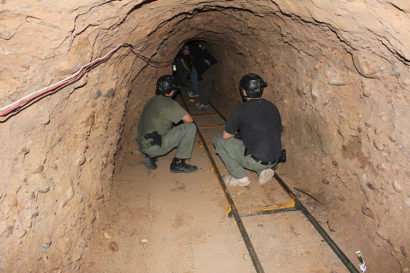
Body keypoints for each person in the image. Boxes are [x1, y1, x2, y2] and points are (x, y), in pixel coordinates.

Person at [213, 73, 283, 186]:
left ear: (244, 92)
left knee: (219, 140)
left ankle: (240, 177)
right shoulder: (272, 106)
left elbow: (226, 136)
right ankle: (263, 170)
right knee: (255, 143)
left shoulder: (241, 109)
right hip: (274, 158)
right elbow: (276, 131)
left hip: (255, 160)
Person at [136, 75, 198, 173]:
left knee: (162, 127)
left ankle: (150, 156)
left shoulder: (151, 101)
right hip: (154, 146)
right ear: (171, 91)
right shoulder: (169, 103)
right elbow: (189, 120)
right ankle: (178, 164)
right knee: (190, 128)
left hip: (143, 145)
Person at [189, 42, 217, 108]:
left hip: (206, 68)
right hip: (206, 66)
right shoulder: (196, 49)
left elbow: (199, 67)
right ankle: (203, 101)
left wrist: (199, 77)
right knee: (203, 84)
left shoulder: (195, 53)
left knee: (205, 85)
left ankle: (205, 103)